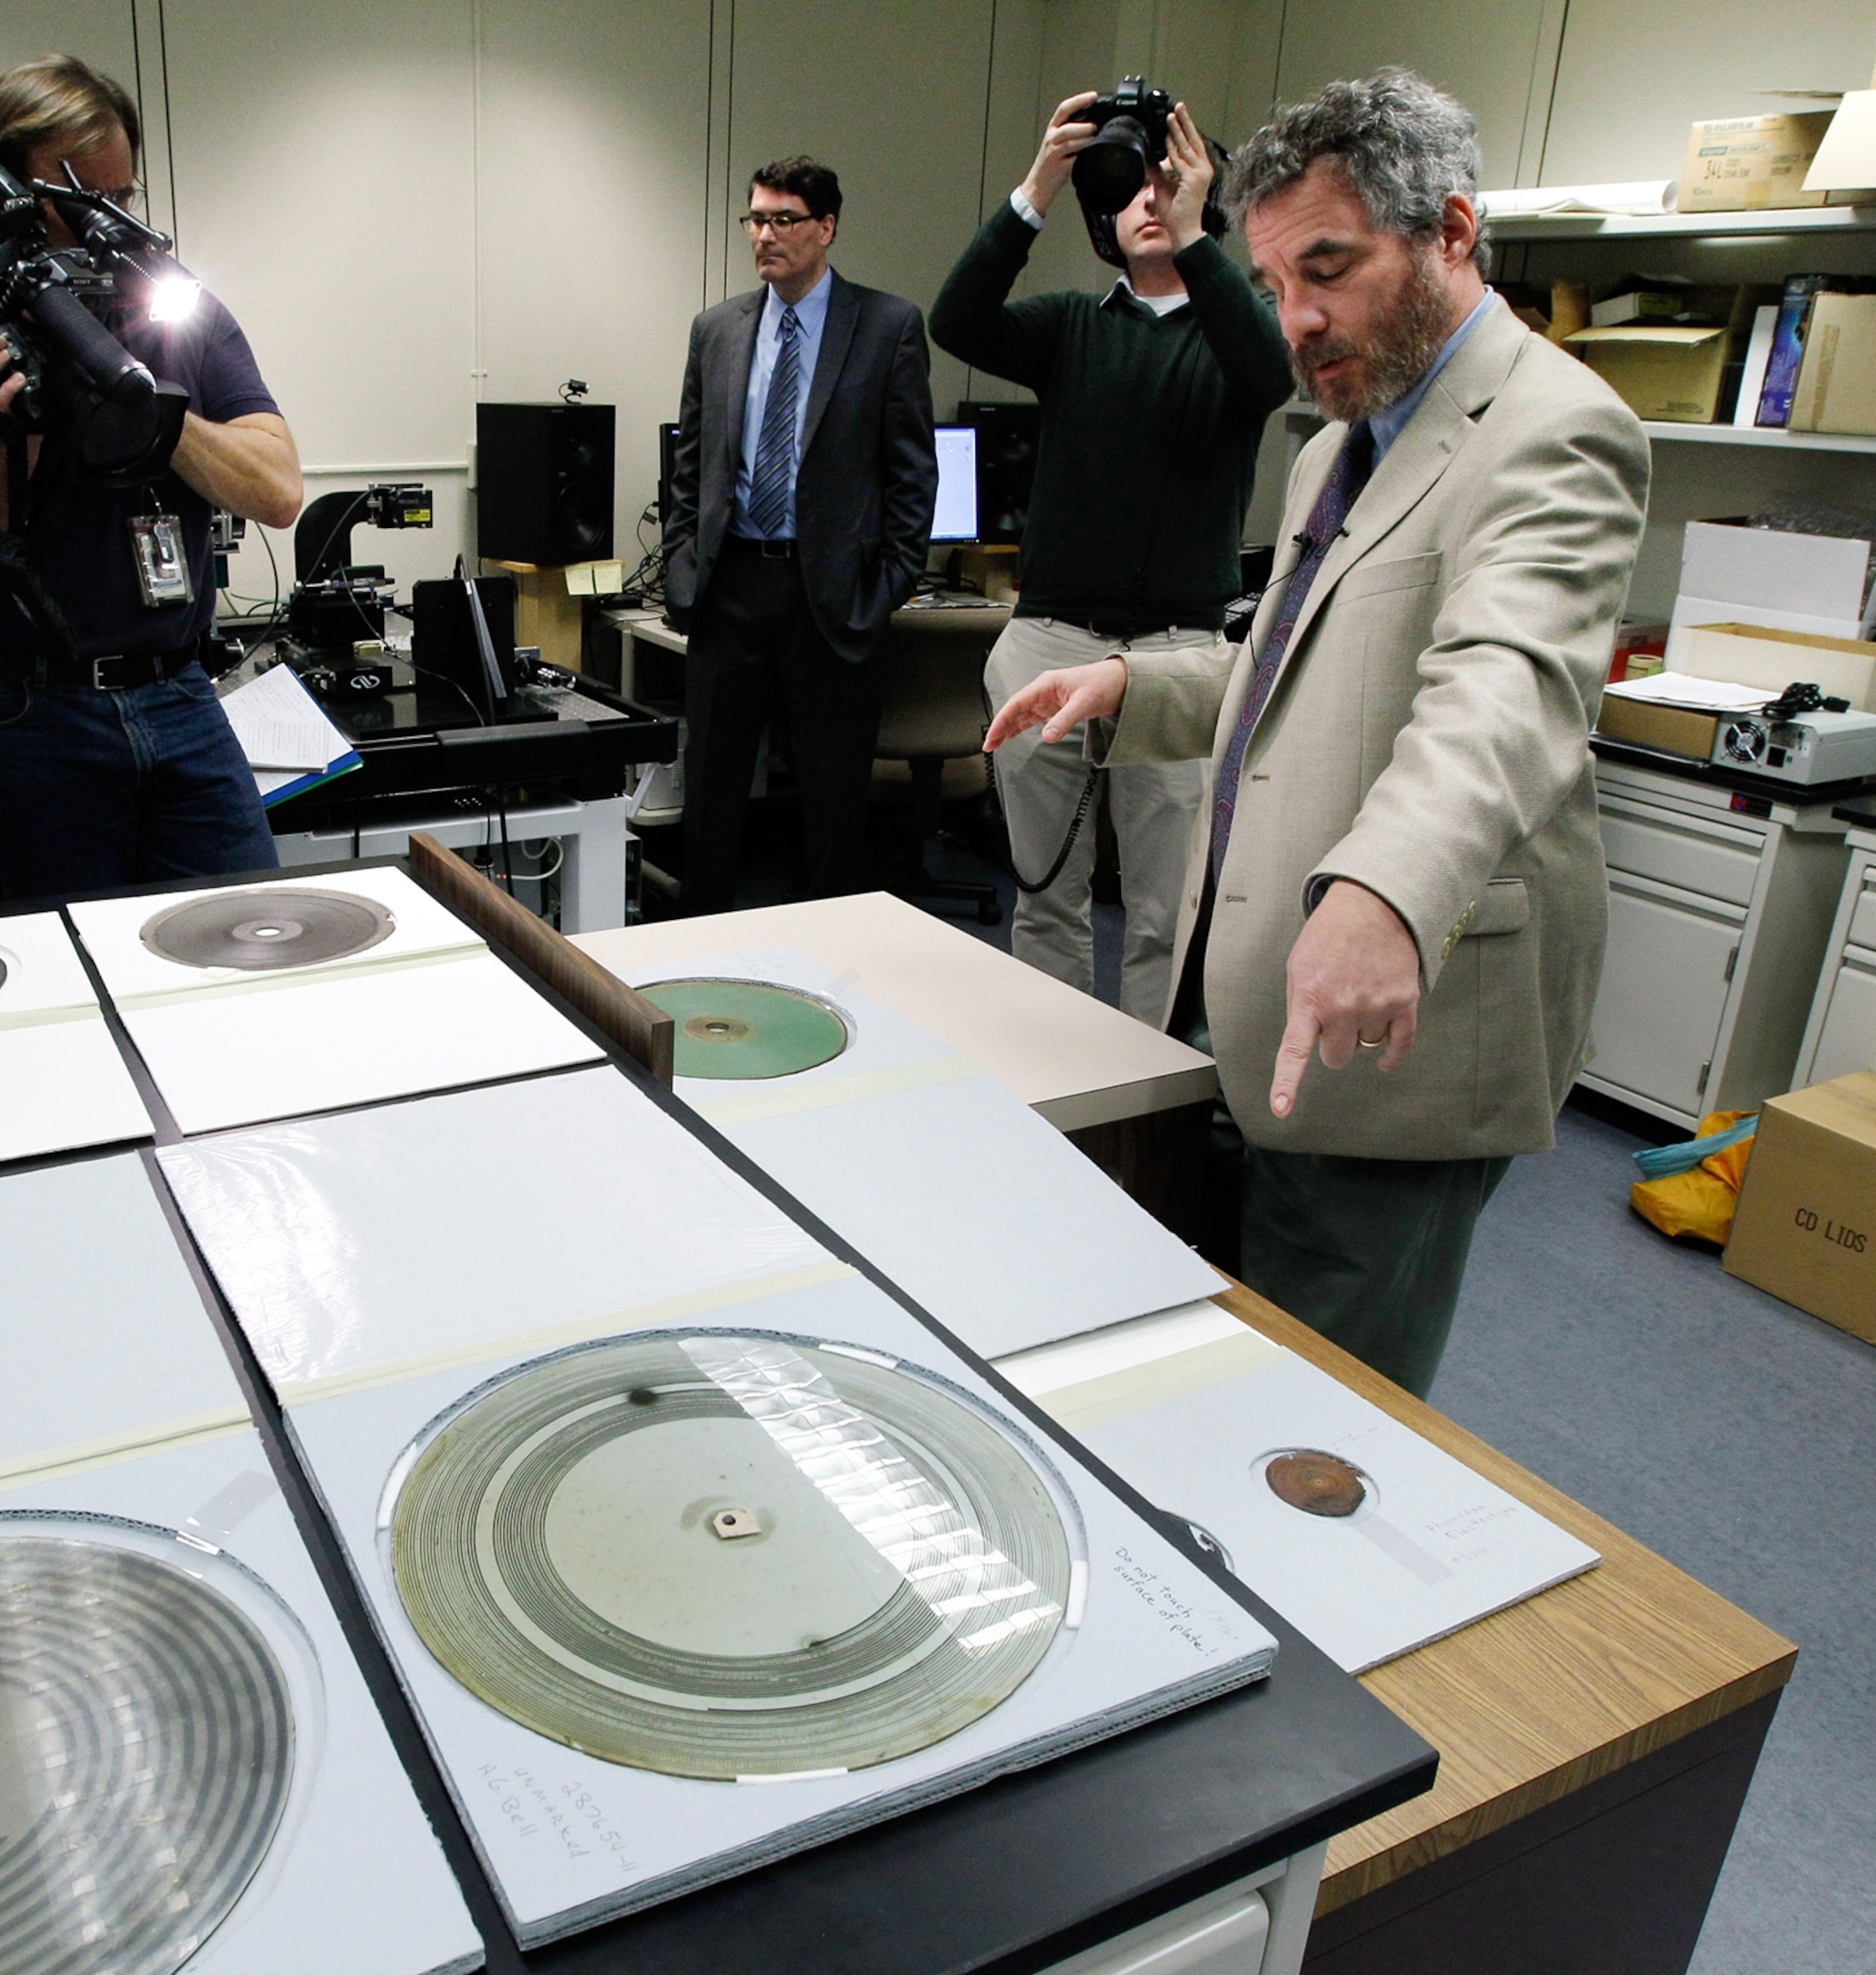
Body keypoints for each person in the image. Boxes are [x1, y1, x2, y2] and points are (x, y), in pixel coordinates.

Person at [986, 69, 1650, 1396]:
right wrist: (1137, 686)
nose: (1295, 320)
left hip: (1391, 1053)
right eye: (1276, 281)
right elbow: (1297, 668)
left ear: (1450, 231)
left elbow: (1502, 694)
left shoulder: (1556, 430)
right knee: (1224, 1355)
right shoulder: (1336, 443)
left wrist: (1386, 891)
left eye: (1329, 271)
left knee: (1327, 1407)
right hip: (1251, 1006)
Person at [0, 55, 302, 898]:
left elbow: (276, 489)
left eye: (120, 197)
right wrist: (15, 441)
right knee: (72, 957)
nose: (106, 226)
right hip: (25, 709)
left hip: (178, 691)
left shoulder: (176, 314)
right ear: (3, 196)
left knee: (244, 929)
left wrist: (144, 410)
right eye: (75, 203)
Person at [930, 93, 1292, 1022]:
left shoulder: (1238, 328)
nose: (1148, 201)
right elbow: (957, 320)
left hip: (1177, 661)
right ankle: (1064, 1073)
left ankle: (1147, 1083)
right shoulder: (1072, 326)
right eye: (1128, 189)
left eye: (1169, 185)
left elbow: (1269, 377)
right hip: (1049, 641)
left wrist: (1201, 234)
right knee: (1044, 895)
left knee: (1165, 912)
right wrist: (1039, 186)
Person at [662, 156, 936, 916]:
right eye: (756, 219)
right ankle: (699, 938)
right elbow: (691, 465)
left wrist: (886, 586)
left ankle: (831, 941)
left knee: (831, 793)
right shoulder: (717, 329)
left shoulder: (887, 327)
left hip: (833, 596)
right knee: (712, 786)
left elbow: (912, 474)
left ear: (827, 228)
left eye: (784, 220)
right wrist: (684, 567)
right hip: (731, 585)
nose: (765, 235)